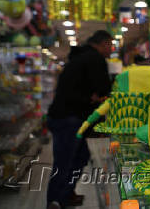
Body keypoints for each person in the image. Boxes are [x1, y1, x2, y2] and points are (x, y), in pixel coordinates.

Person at [46, 30, 113, 209]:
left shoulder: (79, 58)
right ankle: (55, 201)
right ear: (103, 43)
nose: (112, 49)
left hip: (66, 116)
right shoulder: (94, 59)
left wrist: (95, 98)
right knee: (65, 162)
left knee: (79, 157)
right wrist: (96, 97)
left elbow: (95, 93)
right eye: (111, 44)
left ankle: (66, 194)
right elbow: (103, 88)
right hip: (69, 118)